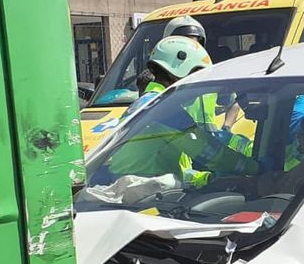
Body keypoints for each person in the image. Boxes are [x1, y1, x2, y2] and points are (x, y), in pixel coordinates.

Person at [105, 35, 257, 185]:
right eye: (197, 77)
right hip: (146, 194)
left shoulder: (148, 101)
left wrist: (204, 179)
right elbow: (211, 154)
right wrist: (256, 168)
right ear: (181, 73)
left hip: (134, 189)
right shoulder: (166, 109)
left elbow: (169, 166)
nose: (199, 88)